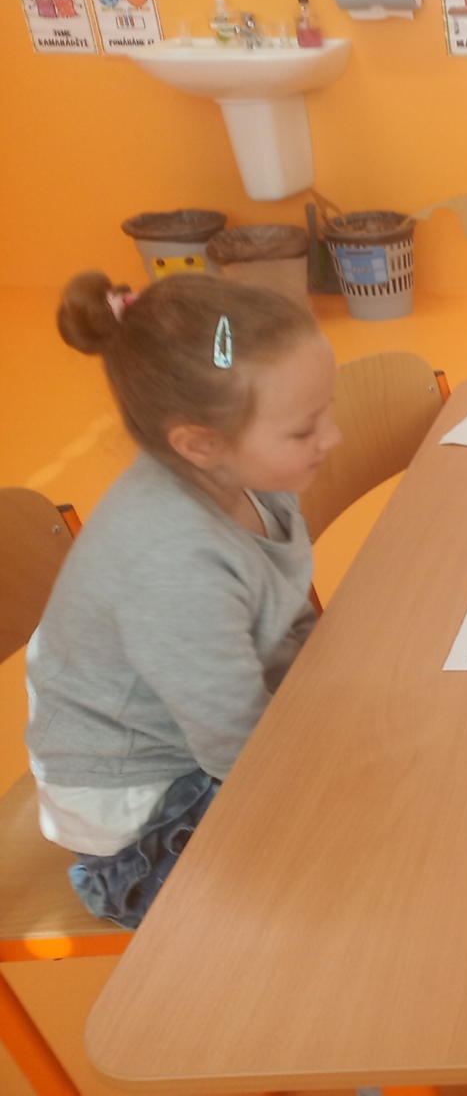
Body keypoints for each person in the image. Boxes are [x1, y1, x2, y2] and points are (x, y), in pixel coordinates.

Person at [26, 271, 340, 928]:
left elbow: (281, 617)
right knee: (335, 886)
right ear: (200, 443)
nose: (332, 437)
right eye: (304, 429)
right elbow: (236, 747)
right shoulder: (173, 562)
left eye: (327, 412)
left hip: (211, 739)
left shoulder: (248, 474)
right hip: (145, 819)